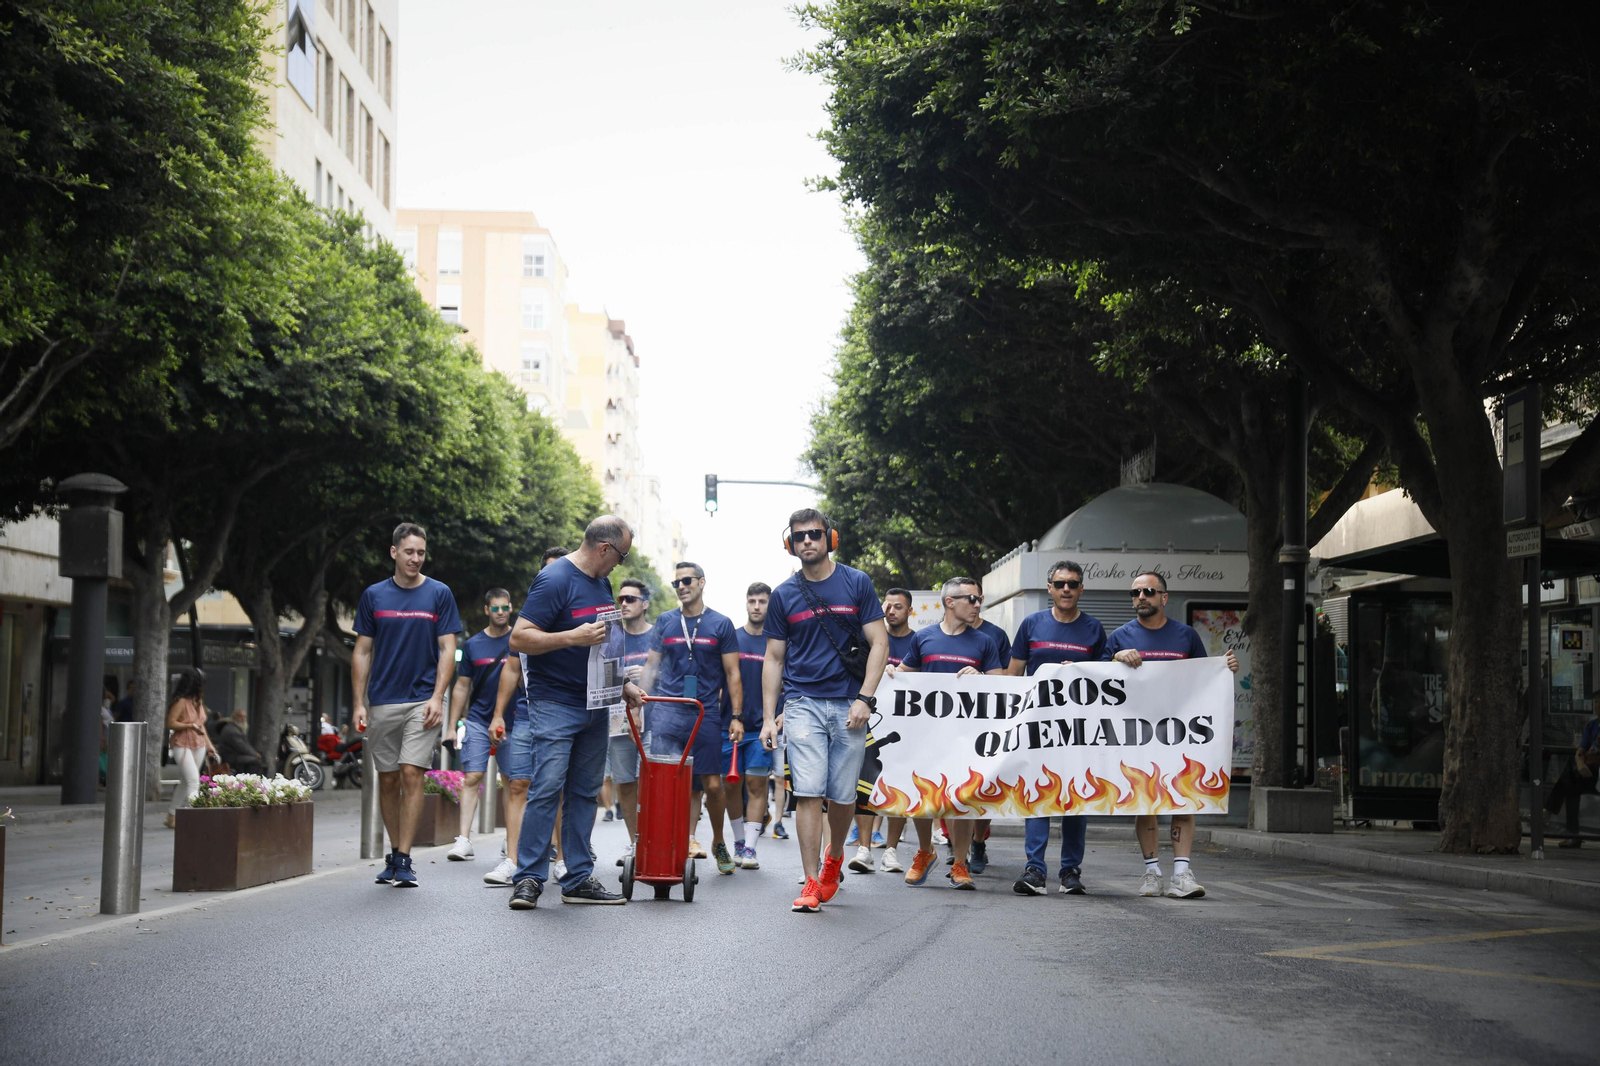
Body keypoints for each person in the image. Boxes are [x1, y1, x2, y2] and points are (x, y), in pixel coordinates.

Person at [507, 516, 643, 909]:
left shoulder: (601, 582)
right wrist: (573, 636)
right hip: (555, 703)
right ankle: (529, 878)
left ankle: (578, 877)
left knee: (585, 792)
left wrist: (623, 686)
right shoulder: (555, 579)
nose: (621, 562)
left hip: (596, 704)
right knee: (548, 787)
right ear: (604, 548)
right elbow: (520, 637)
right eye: (622, 554)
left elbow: (604, 646)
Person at [760, 508, 889, 913]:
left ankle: (834, 858)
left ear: (829, 538)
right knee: (809, 791)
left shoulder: (857, 582)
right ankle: (812, 879)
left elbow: (880, 644)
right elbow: (774, 658)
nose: (808, 541)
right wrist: (768, 716)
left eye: (815, 534)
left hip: (850, 703)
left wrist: (865, 698)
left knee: (843, 794)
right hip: (802, 704)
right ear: (790, 544)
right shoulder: (783, 595)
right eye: (800, 537)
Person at [1103, 569, 1238, 898]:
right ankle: (1152, 873)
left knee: (1184, 799)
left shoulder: (1186, 636)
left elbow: (1203, 679)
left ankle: (1182, 874)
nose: (1141, 598)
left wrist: (1224, 669)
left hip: (1180, 734)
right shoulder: (1118, 637)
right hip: (1135, 734)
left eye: (1149, 591)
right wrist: (1115, 658)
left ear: (1164, 598)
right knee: (1144, 803)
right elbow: (1097, 683)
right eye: (1135, 593)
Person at [351, 522, 462, 889]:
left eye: (421, 553)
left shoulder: (439, 593)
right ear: (394, 552)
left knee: (412, 772)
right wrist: (359, 703)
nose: (416, 558)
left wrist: (437, 697)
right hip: (382, 700)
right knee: (388, 778)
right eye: (409, 551)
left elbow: (448, 648)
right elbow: (363, 650)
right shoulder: (373, 596)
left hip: (423, 699)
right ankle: (393, 854)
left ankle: (404, 858)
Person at [888, 576, 1005, 889]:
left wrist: (980, 675)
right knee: (923, 794)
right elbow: (903, 675)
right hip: (926, 735)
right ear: (949, 602)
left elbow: (1001, 684)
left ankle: (959, 863)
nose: (977, 605)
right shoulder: (924, 638)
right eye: (971, 599)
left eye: (979, 599)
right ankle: (925, 852)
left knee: (963, 798)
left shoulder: (985, 642)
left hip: (967, 736)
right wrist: (890, 673)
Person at [1004, 560, 1106, 896]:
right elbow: (1013, 677)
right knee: (1038, 796)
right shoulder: (1031, 624)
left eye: (1072, 584)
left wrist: (1078, 670)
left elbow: (1105, 682)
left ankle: (1070, 872)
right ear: (1049, 588)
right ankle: (1035, 869)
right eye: (1060, 583)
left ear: (1081, 589)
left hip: (1079, 730)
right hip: (1037, 727)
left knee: (1076, 798)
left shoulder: (1094, 629)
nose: (1066, 589)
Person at [644, 561, 743, 875]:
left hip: (705, 713)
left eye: (686, 581)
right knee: (667, 783)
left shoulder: (721, 624)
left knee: (713, 786)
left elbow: (733, 674)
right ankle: (670, 841)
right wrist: (638, 702)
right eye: (676, 583)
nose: (681, 587)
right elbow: (650, 667)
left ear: (701, 583)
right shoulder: (665, 621)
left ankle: (717, 841)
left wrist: (736, 716)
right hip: (667, 712)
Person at [448, 588, 527, 867]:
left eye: (505, 607)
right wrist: (451, 726)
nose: (501, 612)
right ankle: (463, 840)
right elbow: (461, 686)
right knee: (472, 776)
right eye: (495, 608)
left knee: (512, 782)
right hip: (480, 720)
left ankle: (511, 840)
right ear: (486, 610)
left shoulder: (519, 639)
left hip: (515, 721)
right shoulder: (472, 645)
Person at [856, 588, 917, 874]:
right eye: (887, 606)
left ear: (909, 612)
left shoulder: (918, 641)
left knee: (899, 787)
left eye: (898, 607)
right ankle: (864, 848)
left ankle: (891, 850)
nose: (891, 611)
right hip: (869, 722)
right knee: (864, 784)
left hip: (906, 727)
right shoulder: (868, 636)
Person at [725, 582, 775, 869]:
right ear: (746, 603)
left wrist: (778, 717)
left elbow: (785, 682)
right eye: (752, 601)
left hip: (761, 727)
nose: (757, 606)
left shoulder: (777, 641)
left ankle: (751, 849)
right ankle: (738, 842)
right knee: (731, 786)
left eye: (762, 601)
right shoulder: (731, 638)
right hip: (728, 725)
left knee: (757, 785)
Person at [608, 576, 653, 866]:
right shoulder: (612, 635)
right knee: (624, 782)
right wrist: (622, 678)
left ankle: (654, 840)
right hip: (617, 719)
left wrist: (648, 677)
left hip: (653, 718)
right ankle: (635, 842)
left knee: (652, 780)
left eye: (630, 599)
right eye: (620, 599)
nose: (623, 603)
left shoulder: (658, 634)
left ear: (645, 604)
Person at [163, 667, 218, 828]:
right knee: (193, 781)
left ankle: (171, 816)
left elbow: (201, 726)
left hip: (199, 743)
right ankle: (195, 818)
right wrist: (190, 725)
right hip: (182, 743)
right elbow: (171, 723)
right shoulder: (181, 702)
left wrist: (209, 746)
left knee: (185, 782)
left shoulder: (198, 701)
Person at [1544, 708, 1599, 847]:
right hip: (1587, 770)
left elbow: (1593, 751)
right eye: (1597, 702)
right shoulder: (1592, 725)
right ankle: (1572, 834)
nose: (1598, 705)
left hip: (1596, 770)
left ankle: (1549, 810)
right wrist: (1581, 762)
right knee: (1571, 787)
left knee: (1570, 781)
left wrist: (1584, 760)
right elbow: (1582, 748)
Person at [215, 709, 268, 775]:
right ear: (234, 717)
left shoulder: (236, 728)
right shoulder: (232, 731)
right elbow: (241, 747)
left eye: (244, 717)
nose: (243, 719)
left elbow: (244, 745)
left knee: (258, 759)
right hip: (230, 757)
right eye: (240, 716)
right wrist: (255, 754)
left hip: (235, 754)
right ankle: (248, 781)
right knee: (254, 762)